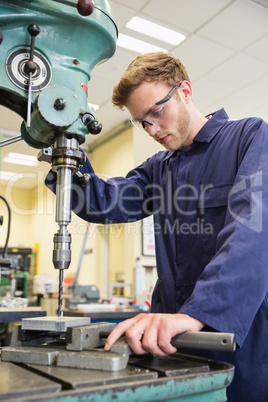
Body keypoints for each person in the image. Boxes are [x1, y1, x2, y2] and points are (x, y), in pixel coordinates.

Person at [46, 52, 268, 401]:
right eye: (141, 122)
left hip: (239, 336)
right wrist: (67, 155)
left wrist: (196, 314)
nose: (151, 129)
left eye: (156, 112)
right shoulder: (159, 168)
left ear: (185, 91)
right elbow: (104, 201)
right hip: (170, 339)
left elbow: (252, 234)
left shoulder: (249, 137)